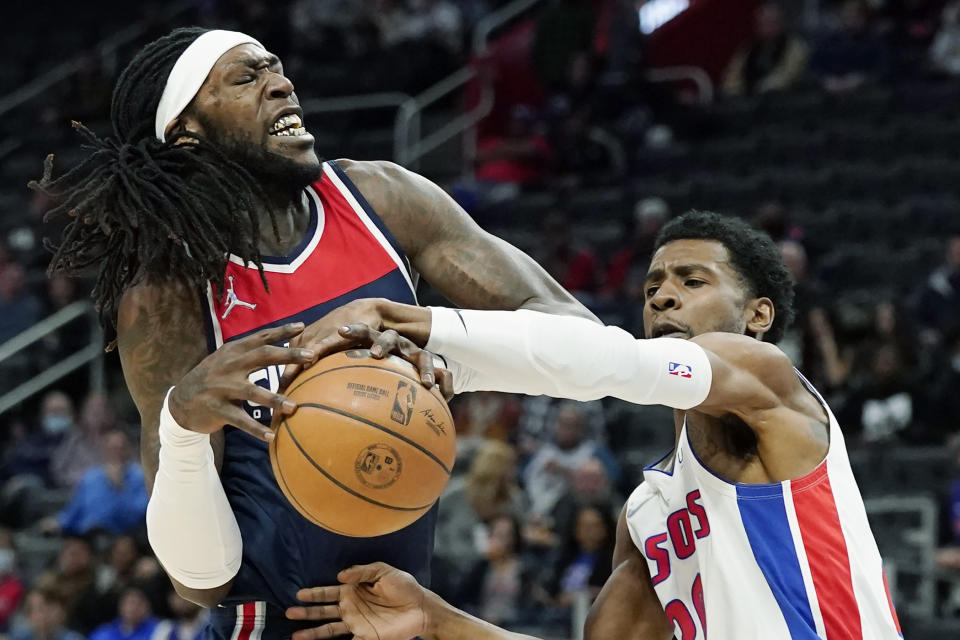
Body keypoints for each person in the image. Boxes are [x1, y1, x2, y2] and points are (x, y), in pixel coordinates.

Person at [33, 27, 593, 638]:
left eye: (275, 67)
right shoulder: (169, 297)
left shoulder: (379, 198)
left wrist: (437, 341)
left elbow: (576, 333)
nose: (281, 82)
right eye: (246, 78)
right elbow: (198, 582)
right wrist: (182, 428)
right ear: (189, 134)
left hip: (404, 614)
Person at [291, 211, 902, 638]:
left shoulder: (772, 383)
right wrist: (435, 618)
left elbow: (606, 361)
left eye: (693, 281)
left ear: (758, 314)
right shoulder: (648, 514)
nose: (663, 297)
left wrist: (414, 326)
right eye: (653, 285)